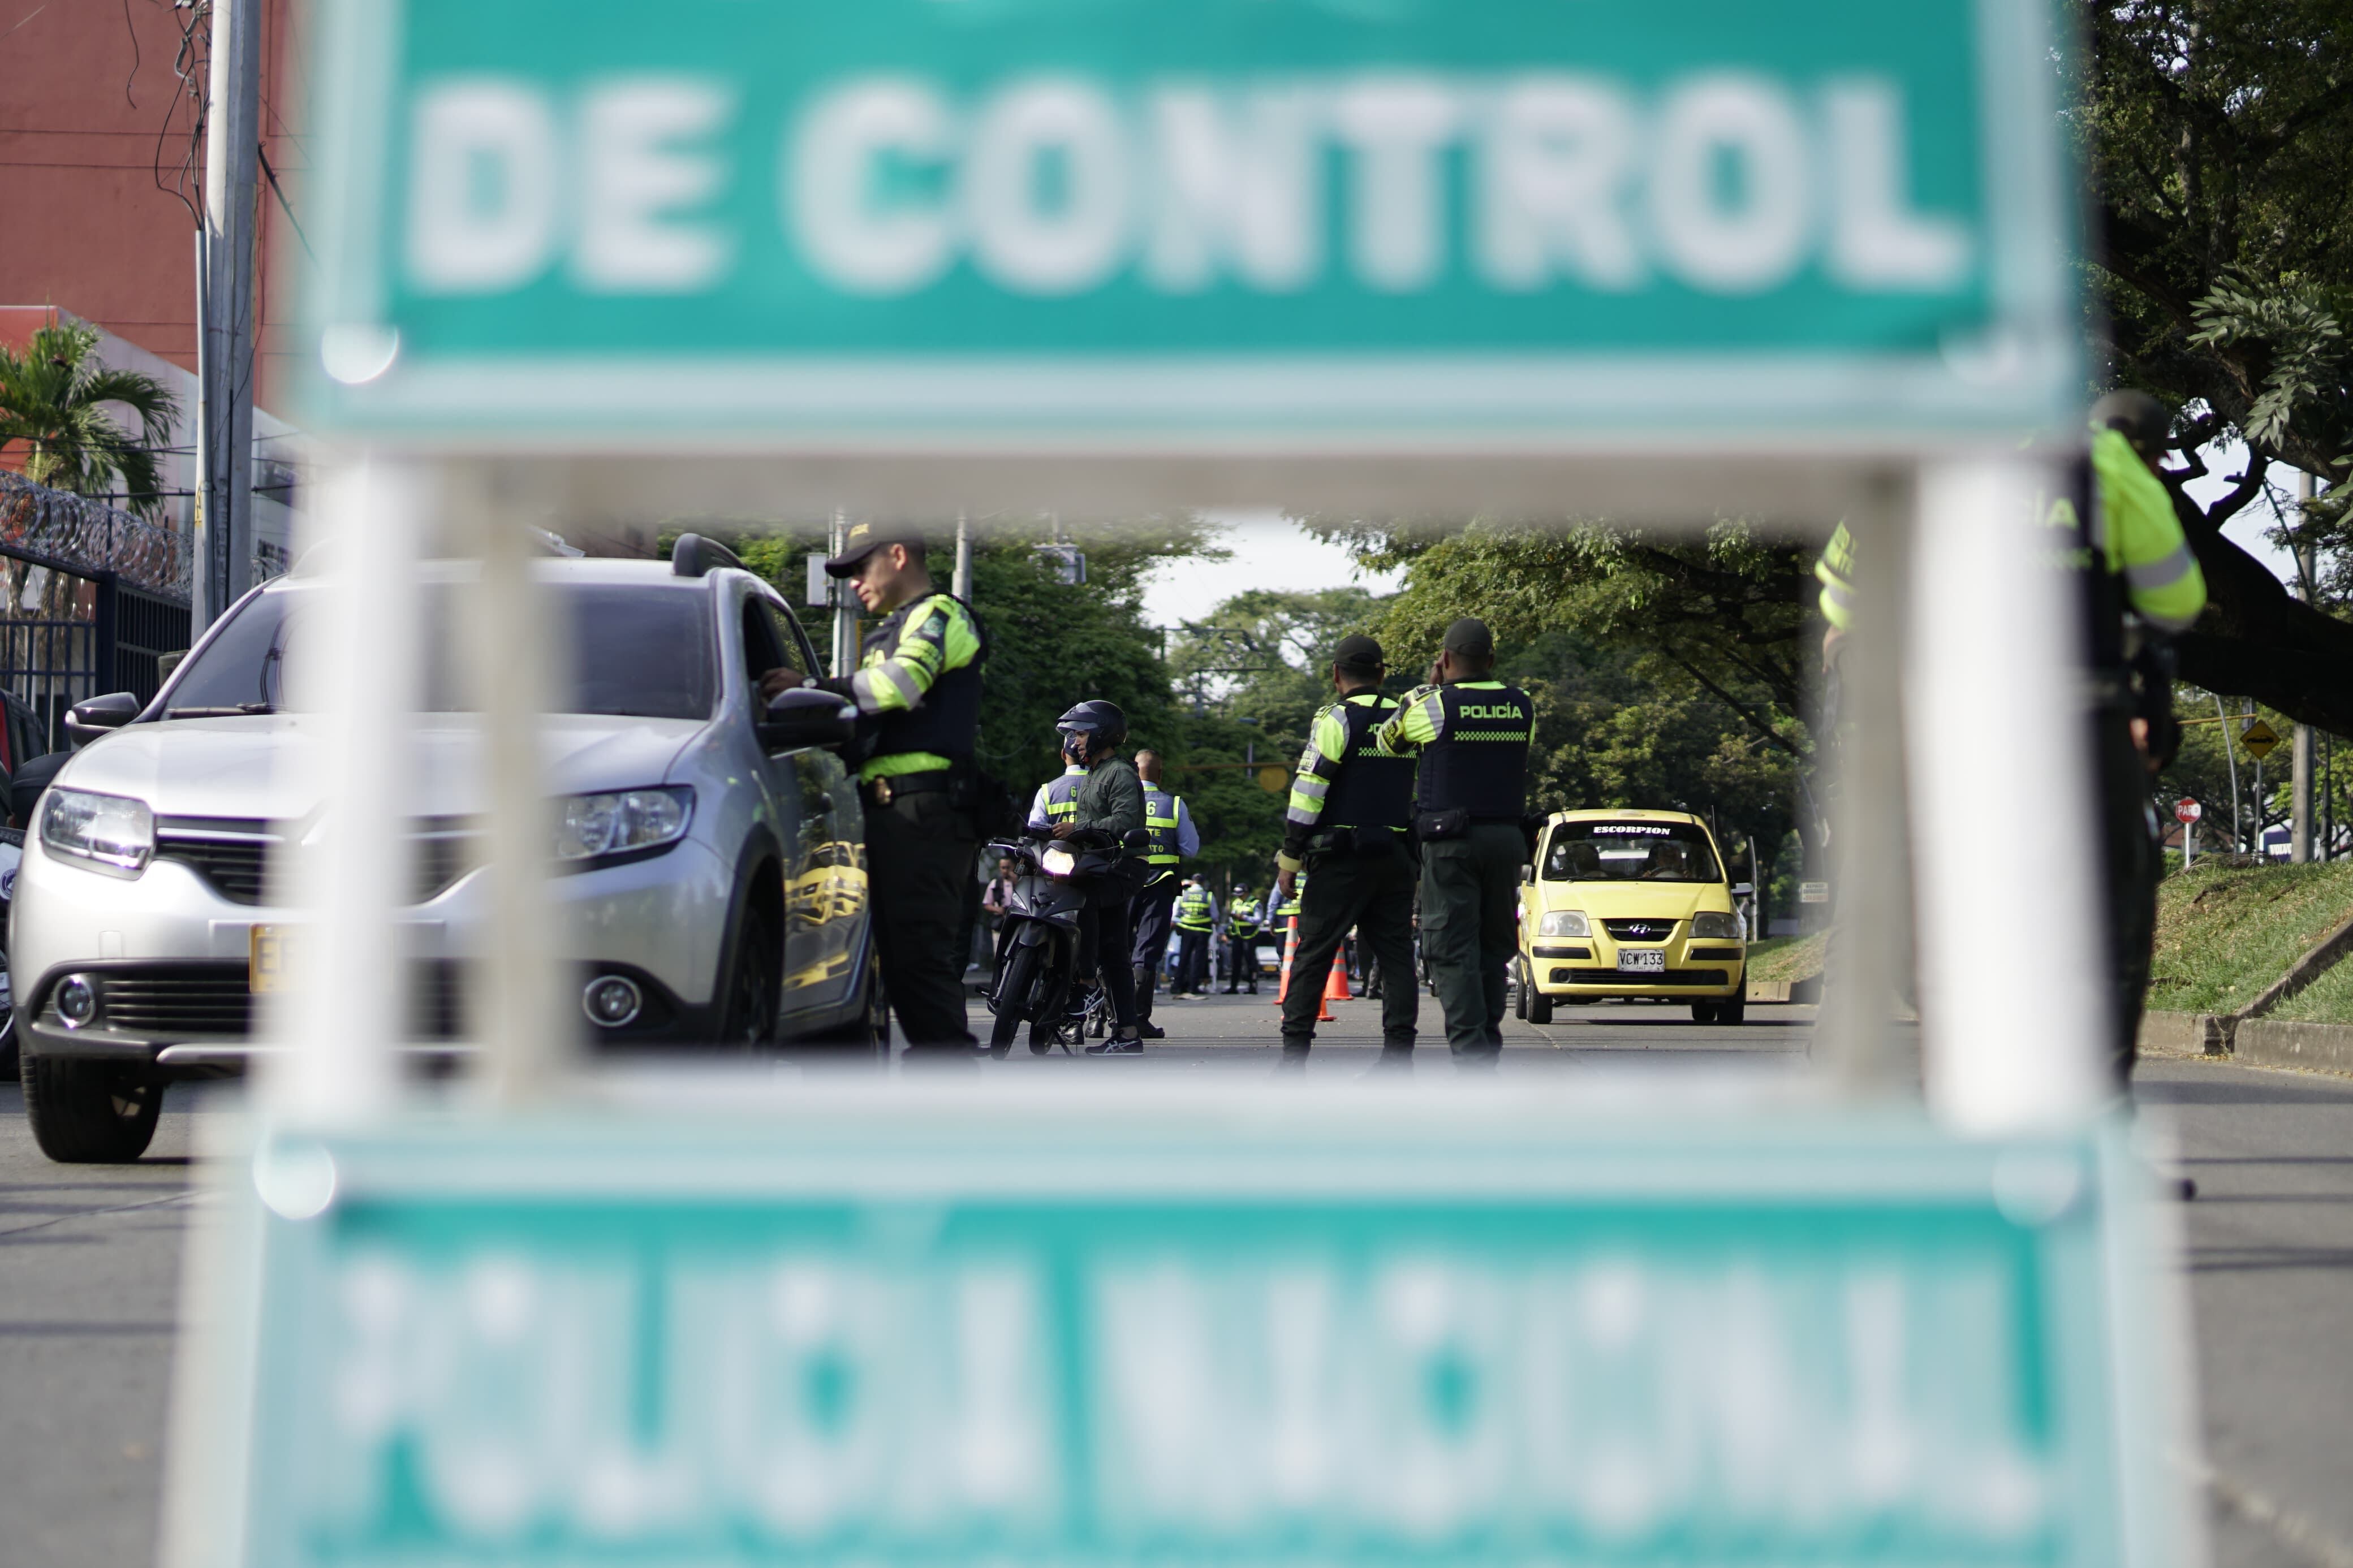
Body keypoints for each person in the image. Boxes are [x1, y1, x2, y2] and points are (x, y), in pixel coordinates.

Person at [1814, 393, 2205, 1089]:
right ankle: (2097, 1092)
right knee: (2117, 895)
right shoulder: (2104, 465)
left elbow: (1842, 607)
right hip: (2079, 726)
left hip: (1947, 733)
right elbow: (2175, 601)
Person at [774, 519, 988, 1056]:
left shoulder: (940, 613)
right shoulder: (892, 629)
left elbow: (902, 684)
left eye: (859, 568)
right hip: (896, 812)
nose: (851, 583)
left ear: (897, 555)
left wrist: (810, 687)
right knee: (902, 966)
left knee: (919, 965)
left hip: (925, 810)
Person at [1373, 618, 1533, 1066]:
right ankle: (1486, 1045)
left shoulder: (1431, 705)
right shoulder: (1523, 705)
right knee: (1493, 946)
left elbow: (1389, 745)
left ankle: (1471, 1057)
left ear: (1443, 661)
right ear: (1492, 660)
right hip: (1506, 841)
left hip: (1451, 844)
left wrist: (1423, 693)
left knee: (1450, 946)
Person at [1273, 633, 1420, 1069]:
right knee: (1396, 956)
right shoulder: (1406, 718)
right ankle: (1398, 1056)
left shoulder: (1335, 720)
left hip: (1340, 858)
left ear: (1337, 675)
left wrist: (1290, 857)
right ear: (1381, 674)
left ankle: (1293, 1058)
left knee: (1314, 953)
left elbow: (1308, 792)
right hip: (1395, 856)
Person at [1050, 700, 1149, 1055]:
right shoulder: (1094, 773)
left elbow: (1124, 821)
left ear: (1101, 734)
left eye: (1080, 734)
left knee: (1086, 901)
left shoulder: (1119, 772)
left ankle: (1088, 983)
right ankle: (1128, 1035)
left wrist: (1080, 828)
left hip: (1123, 866)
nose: (1075, 742)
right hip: (1101, 865)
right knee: (1115, 953)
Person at [1128, 749, 1199, 1038]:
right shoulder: (1174, 805)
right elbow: (1190, 848)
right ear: (1159, 774)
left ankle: (1099, 1017)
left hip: (1121, 883)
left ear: (1134, 773)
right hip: (1159, 886)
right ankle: (1138, 1019)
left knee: (1112, 948)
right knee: (1146, 954)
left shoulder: (1119, 802)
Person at [1170, 876, 1217, 999]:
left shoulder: (1184, 894)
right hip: (1202, 931)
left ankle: (1177, 985)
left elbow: (1175, 914)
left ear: (1193, 882)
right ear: (1203, 883)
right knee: (1198, 960)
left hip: (1186, 929)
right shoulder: (1208, 896)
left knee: (1183, 957)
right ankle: (1193, 986)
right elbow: (1215, 916)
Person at [1222, 893, 1263, 994]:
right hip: (1238, 936)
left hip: (1250, 936)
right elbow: (1232, 917)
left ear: (1246, 893)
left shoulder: (1255, 903)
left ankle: (1252, 987)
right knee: (1236, 962)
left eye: (1241, 895)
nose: (1239, 897)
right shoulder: (1236, 902)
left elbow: (1258, 920)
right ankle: (1233, 987)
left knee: (1250, 962)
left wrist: (1243, 917)